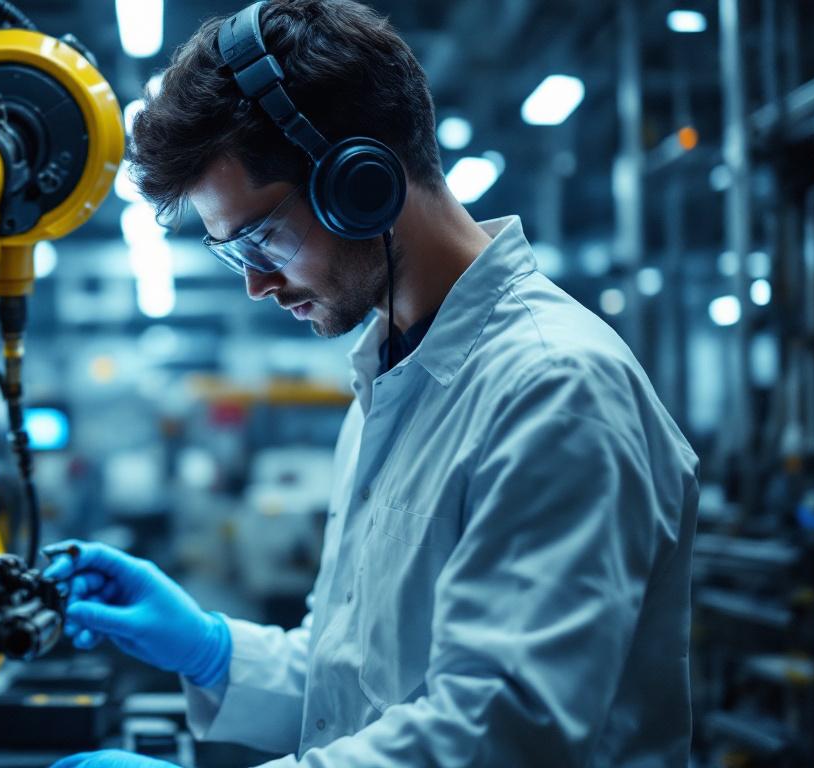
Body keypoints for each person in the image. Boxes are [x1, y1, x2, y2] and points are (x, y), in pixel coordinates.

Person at [47, 1, 700, 765]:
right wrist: (213, 650)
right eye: (234, 253)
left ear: (362, 183)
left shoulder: (554, 390)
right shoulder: (390, 374)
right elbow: (356, 690)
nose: (256, 283)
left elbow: (499, 735)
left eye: (260, 237)